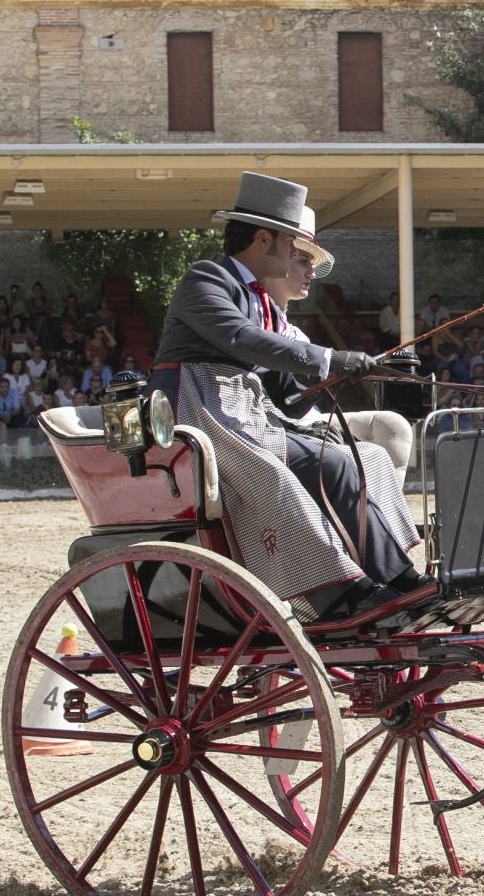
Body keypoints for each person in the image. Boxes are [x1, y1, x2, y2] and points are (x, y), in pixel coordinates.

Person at [147, 172, 428, 624]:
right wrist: (328, 358)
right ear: (263, 239)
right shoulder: (207, 278)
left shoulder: (267, 306)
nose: (300, 257)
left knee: (345, 460)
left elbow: (285, 395)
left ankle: (396, 576)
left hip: (247, 413)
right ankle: (338, 592)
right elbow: (240, 338)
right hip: (200, 410)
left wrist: (332, 376)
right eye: (290, 244)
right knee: (278, 477)